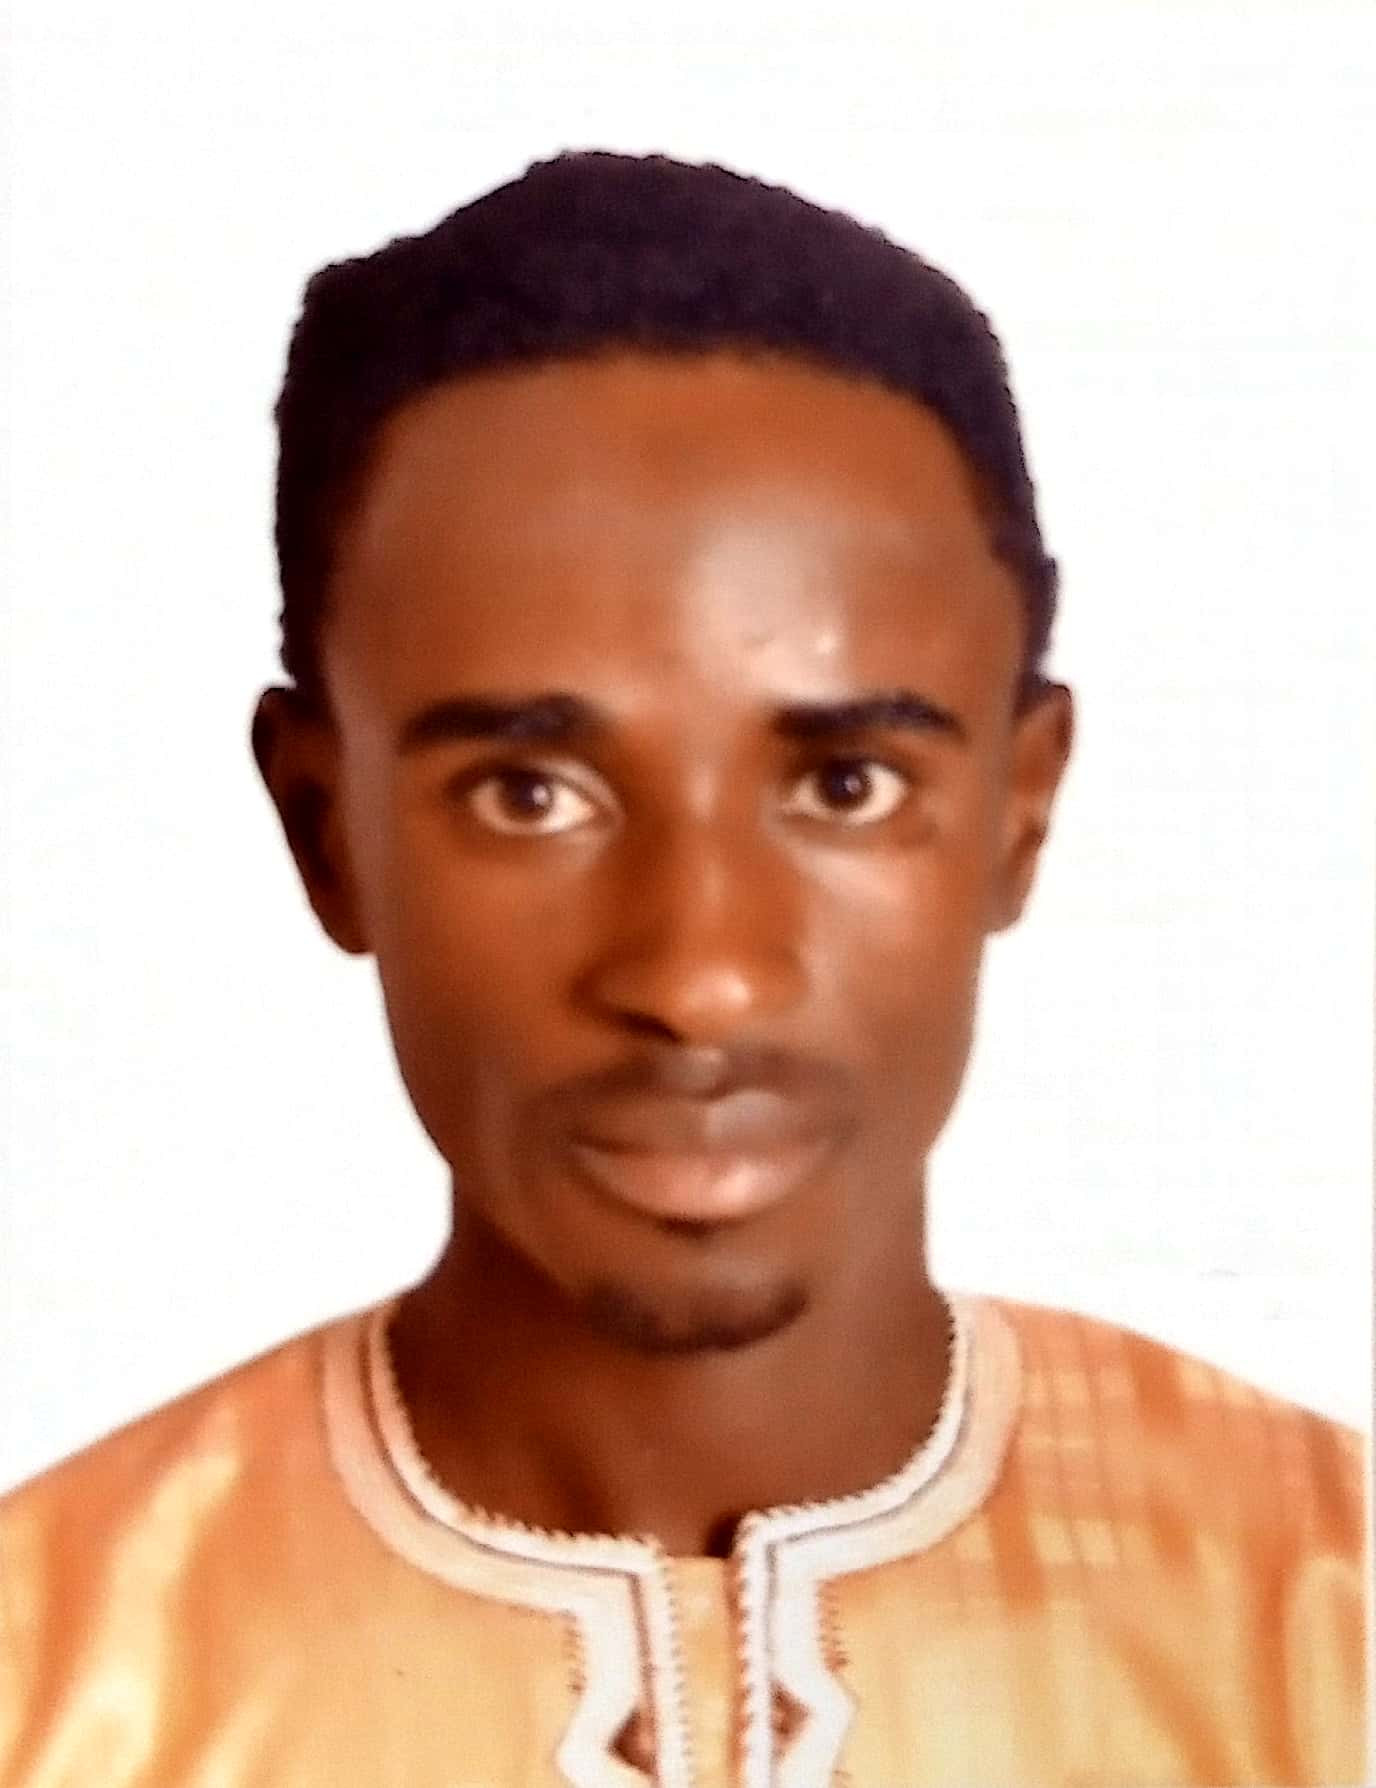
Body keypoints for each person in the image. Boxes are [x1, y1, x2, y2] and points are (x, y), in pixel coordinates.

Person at [0, 150, 1365, 1788]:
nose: (700, 977)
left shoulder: (1331, 1633)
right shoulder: (49, 1685)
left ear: (1020, 810)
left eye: (845, 785)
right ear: (324, 829)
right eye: (530, 795)